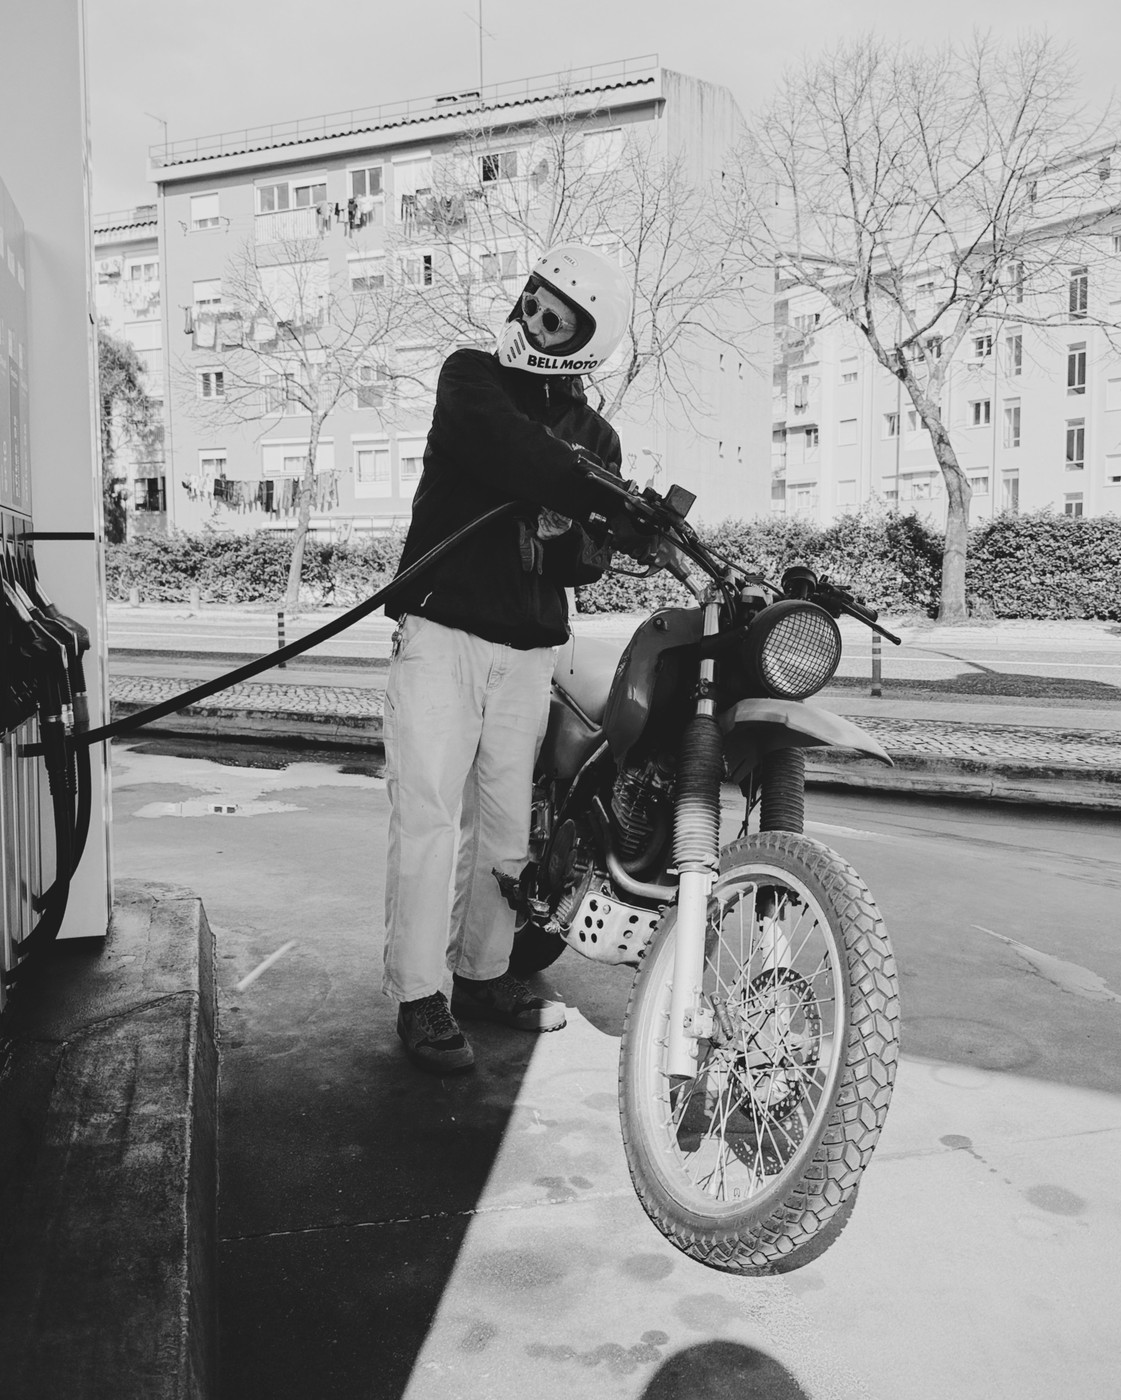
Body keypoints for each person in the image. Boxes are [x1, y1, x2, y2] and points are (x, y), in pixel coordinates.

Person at [381, 244, 636, 1074]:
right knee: (426, 816)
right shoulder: (470, 376)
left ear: (584, 344)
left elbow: (585, 560)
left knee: (505, 827)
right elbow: (507, 448)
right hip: (439, 632)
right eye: (532, 300)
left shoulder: (598, 436)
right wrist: (588, 497)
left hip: (528, 651)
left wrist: (582, 536)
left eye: (554, 318)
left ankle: (483, 974)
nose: (531, 320)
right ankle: (418, 994)